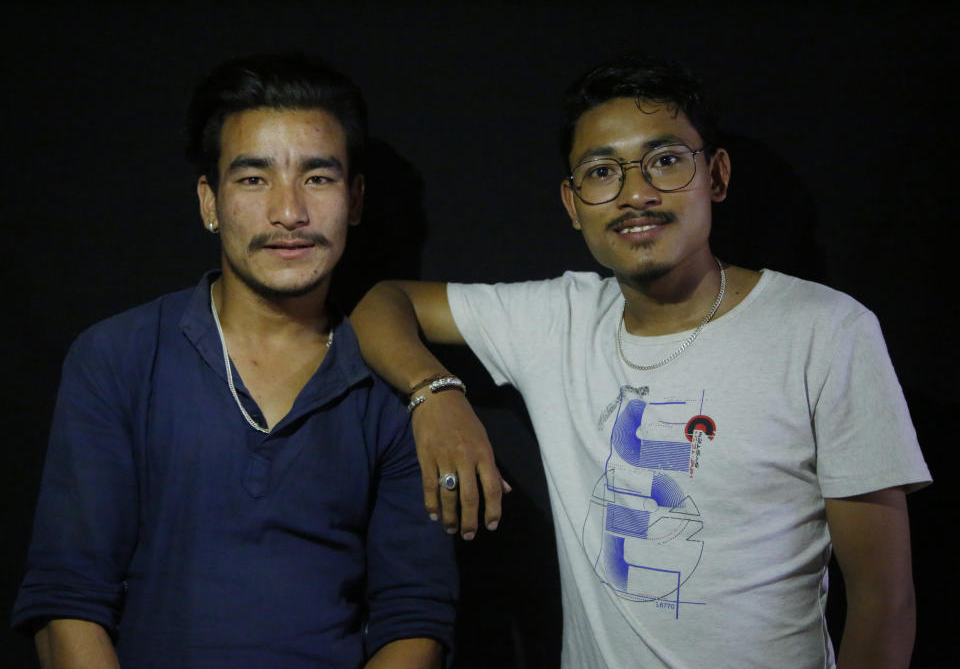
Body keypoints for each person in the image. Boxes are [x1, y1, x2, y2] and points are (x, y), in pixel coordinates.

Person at [350, 54, 930, 668]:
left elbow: (883, 603)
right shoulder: (559, 318)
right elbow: (380, 304)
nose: (636, 194)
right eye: (602, 172)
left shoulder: (825, 330)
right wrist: (434, 392)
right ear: (573, 205)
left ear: (717, 176)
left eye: (666, 161)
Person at [12, 54, 457, 669]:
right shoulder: (116, 356)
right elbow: (68, 598)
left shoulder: (393, 382)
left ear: (354, 198)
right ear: (209, 202)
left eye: (318, 178)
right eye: (253, 179)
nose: (289, 212)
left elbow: (414, 615)